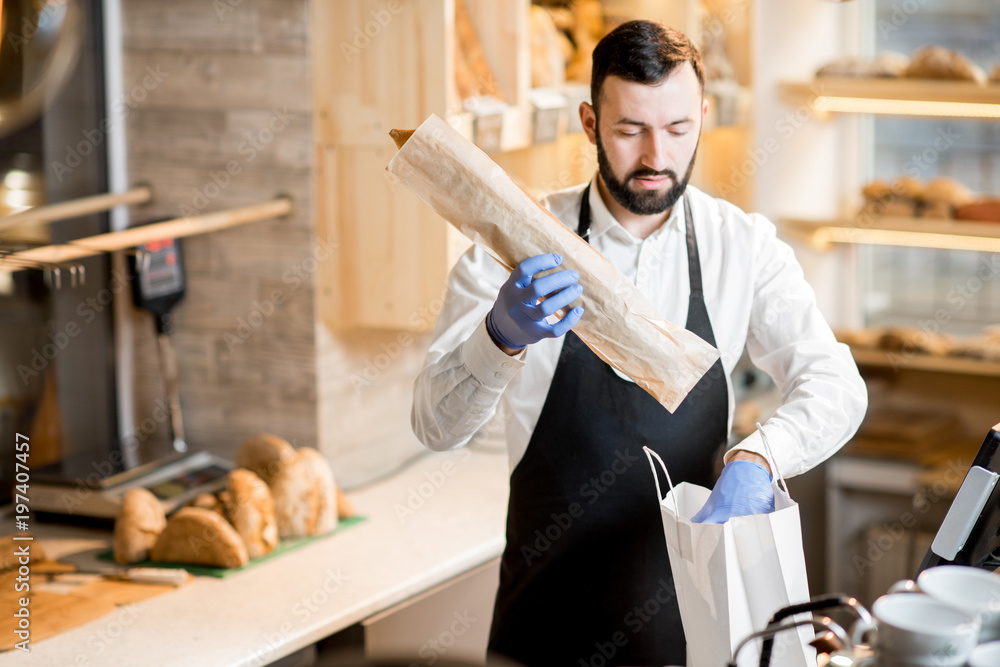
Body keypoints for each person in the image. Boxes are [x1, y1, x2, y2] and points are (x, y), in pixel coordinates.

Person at [411, 19, 867, 667]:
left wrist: (760, 457)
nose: (656, 156)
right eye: (630, 130)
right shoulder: (510, 245)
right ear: (591, 123)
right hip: (542, 634)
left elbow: (837, 386)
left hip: (695, 637)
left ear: (703, 116)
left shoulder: (740, 246)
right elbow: (434, 425)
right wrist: (498, 336)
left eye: (679, 129)